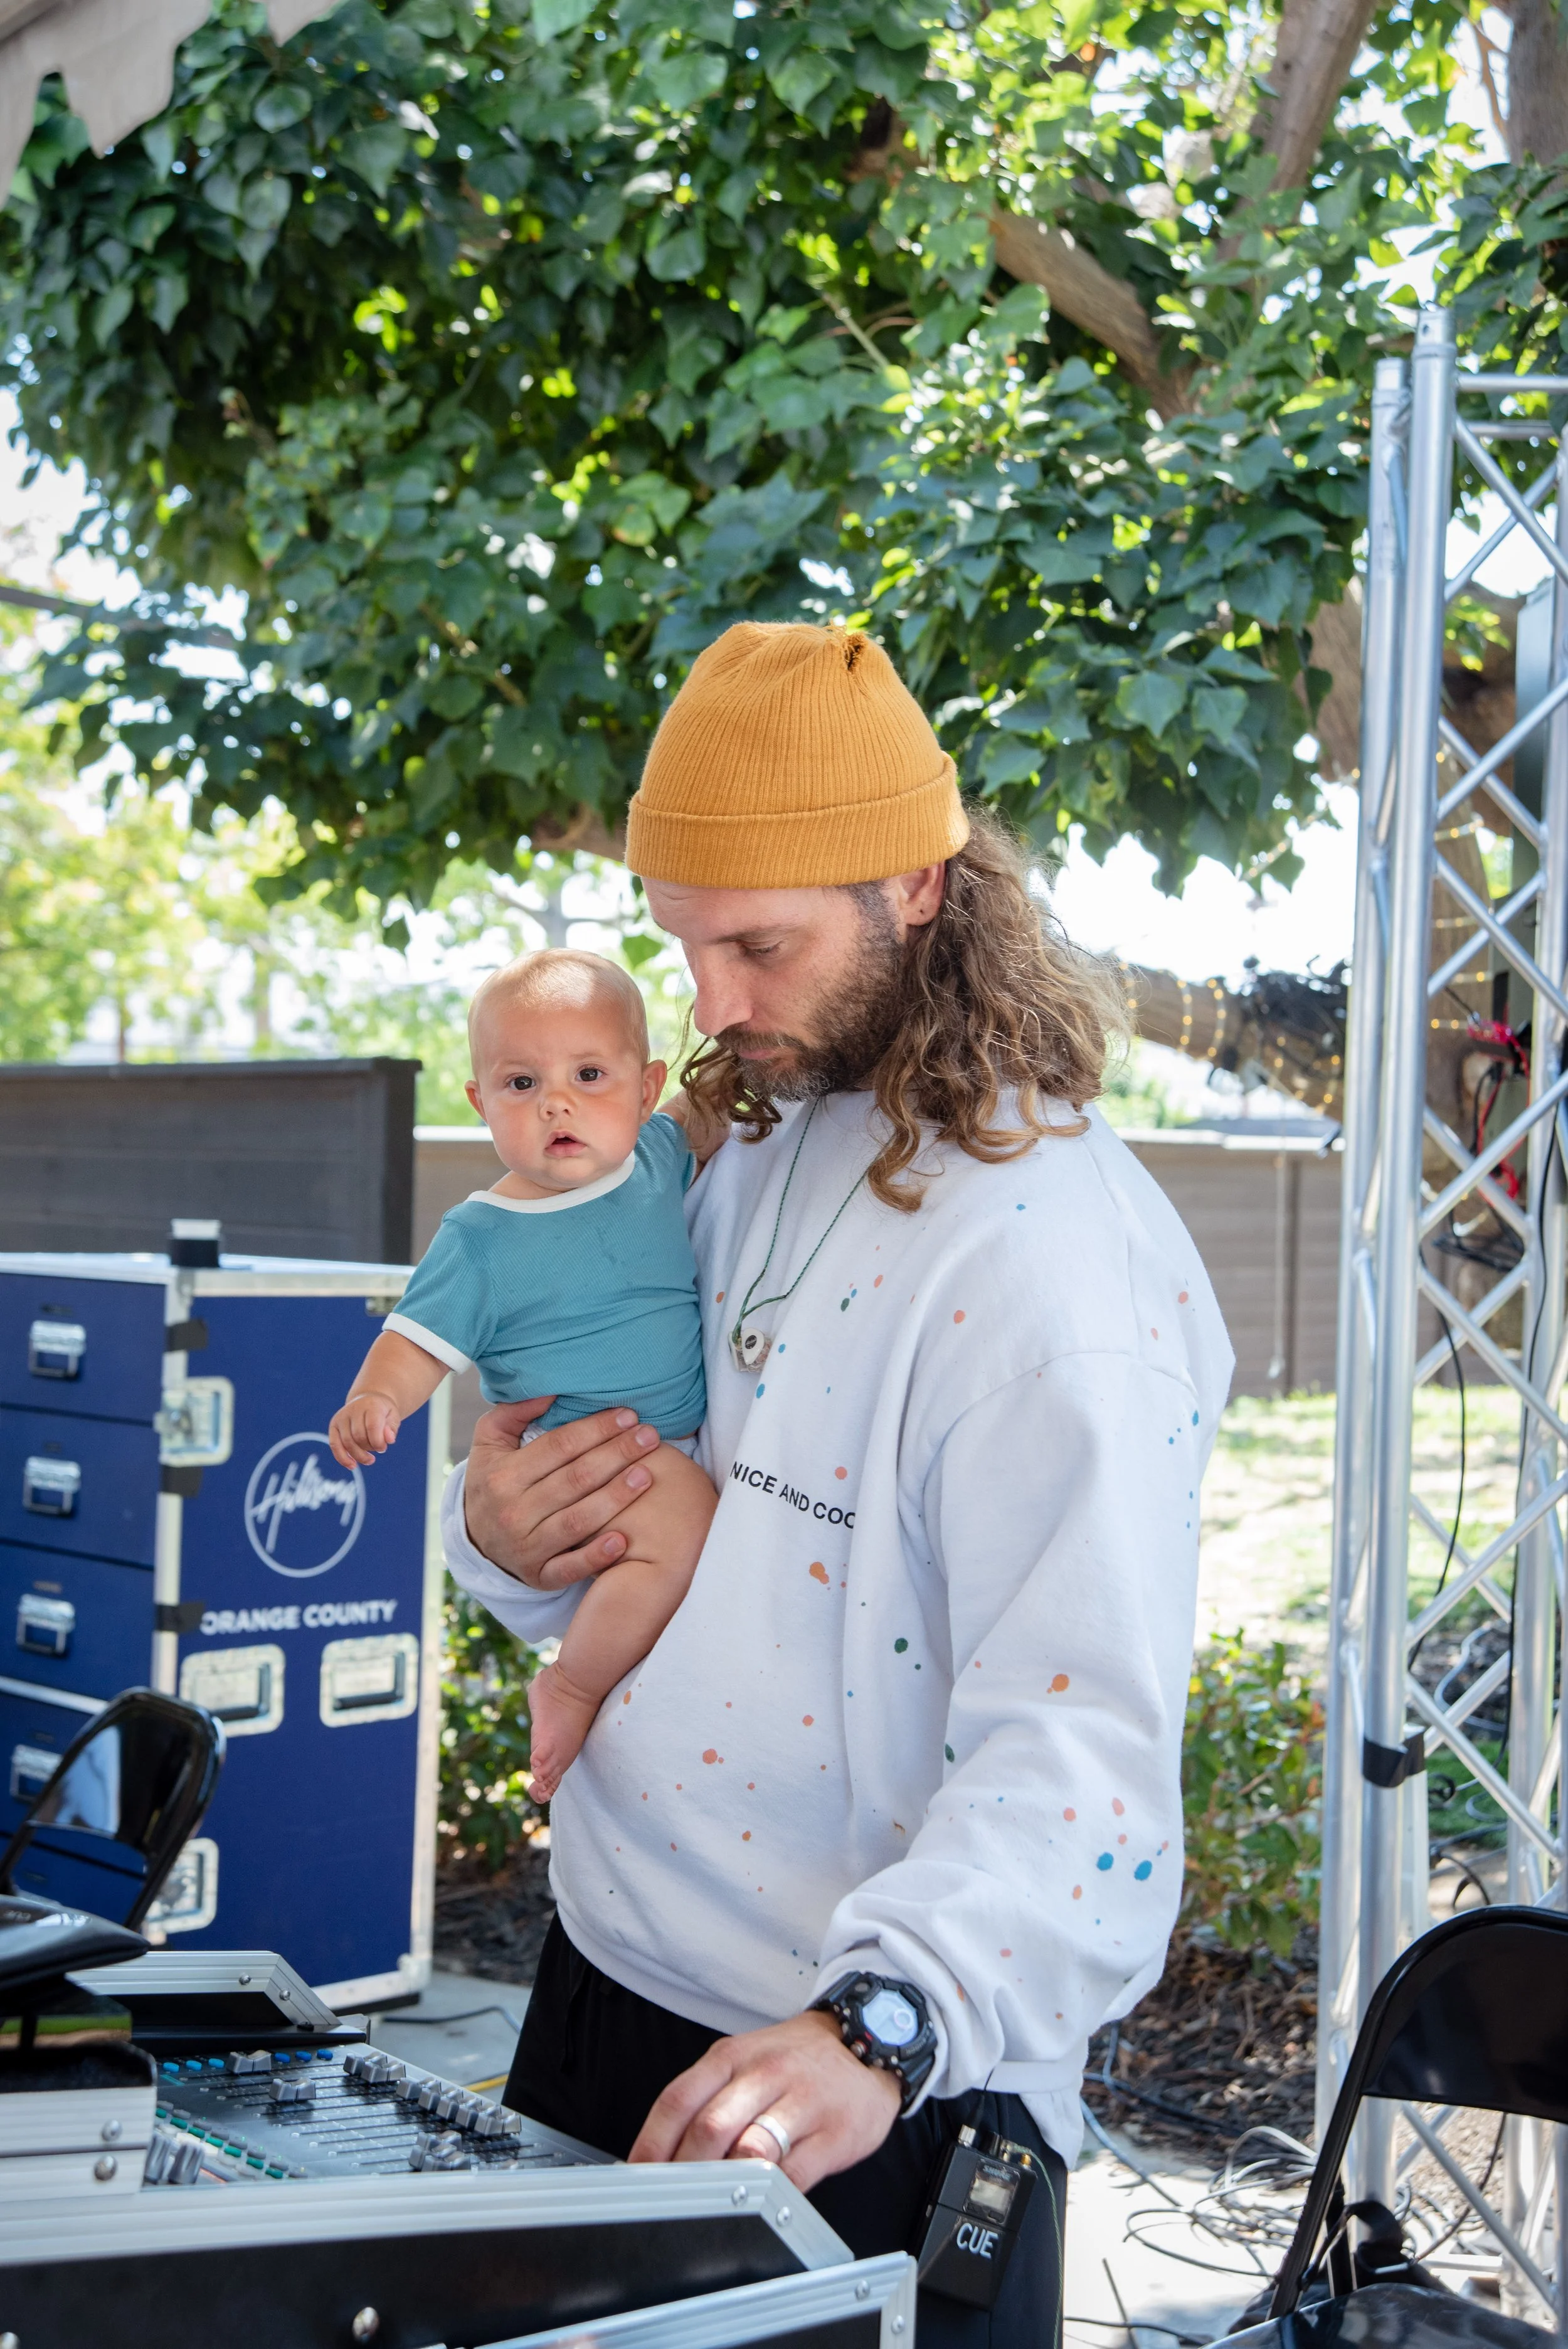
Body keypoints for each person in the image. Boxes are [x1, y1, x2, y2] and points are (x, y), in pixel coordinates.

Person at [443, 622, 1234, 2347]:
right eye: (682, 945)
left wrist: (880, 2026)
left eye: (760, 947)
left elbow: (1082, 1756)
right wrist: (505, 1540)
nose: (711, 1007)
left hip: (860, 2082)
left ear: (919, 888)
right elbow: (632, 1530)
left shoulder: (1050, 1270)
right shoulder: (735, 1143)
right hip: (602, 1991)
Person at [329, 948, 721, 1796]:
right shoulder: (482, 1235)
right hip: (590, 1454)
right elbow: (417, 1340)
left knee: (679, 1553)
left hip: (666, 1442)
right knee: (686, 1530)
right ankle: (571, 1685)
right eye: (520, 1084)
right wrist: (374, 1400)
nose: (558, 1102)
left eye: (589, 1073)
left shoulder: (656, 1156)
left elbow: (722, 1094)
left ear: (647, 1090)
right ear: (480, 1104)